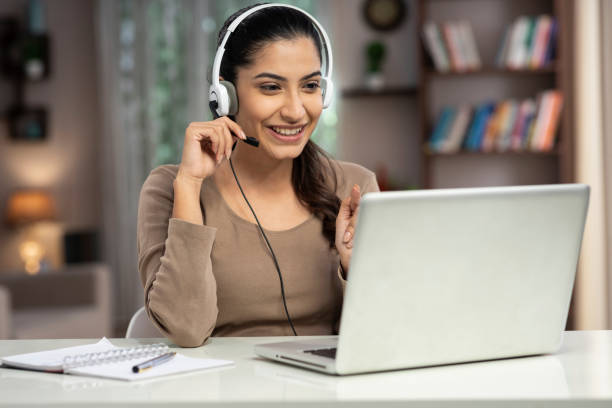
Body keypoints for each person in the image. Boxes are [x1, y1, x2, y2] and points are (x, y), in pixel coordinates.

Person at [137, 3, 380, 347]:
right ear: (225, 95)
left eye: (310, 86)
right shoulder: (169, 188)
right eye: (271, 87)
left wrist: (355, 268)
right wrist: (190, 186)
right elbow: (186, 330)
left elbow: (382, 334)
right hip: (218, 392)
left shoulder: (353, 187)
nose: (296, 111)